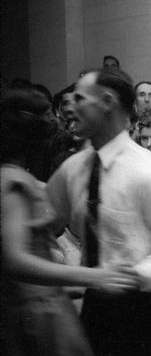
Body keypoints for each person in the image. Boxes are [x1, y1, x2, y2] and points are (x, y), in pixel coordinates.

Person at [46, 68, 151, 356]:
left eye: (80, 99)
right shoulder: (73, 169)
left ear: (106, 102)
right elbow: (45, 221)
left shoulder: (148, 170)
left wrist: (131, 277)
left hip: (148, 315)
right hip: (97, 310)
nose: (70, 107)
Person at [1, 87, 138, 356]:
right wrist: (93, 276)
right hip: (34, 311)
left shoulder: (19, 177)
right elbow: (15, 259)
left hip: (41, 303)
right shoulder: (13, 183)